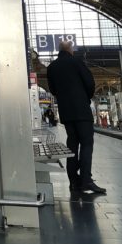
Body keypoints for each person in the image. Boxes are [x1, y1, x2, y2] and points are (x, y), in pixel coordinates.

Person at [46, 41, 106, 195]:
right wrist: (84, 97)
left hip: (66, 112)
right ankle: (86, 180)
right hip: (81, 111)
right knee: (86, 144)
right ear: (70, 50)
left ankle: (73, 182)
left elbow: (52, 89)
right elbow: (90, 83)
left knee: (72, 145)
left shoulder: (52, 67)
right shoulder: (77, 62)